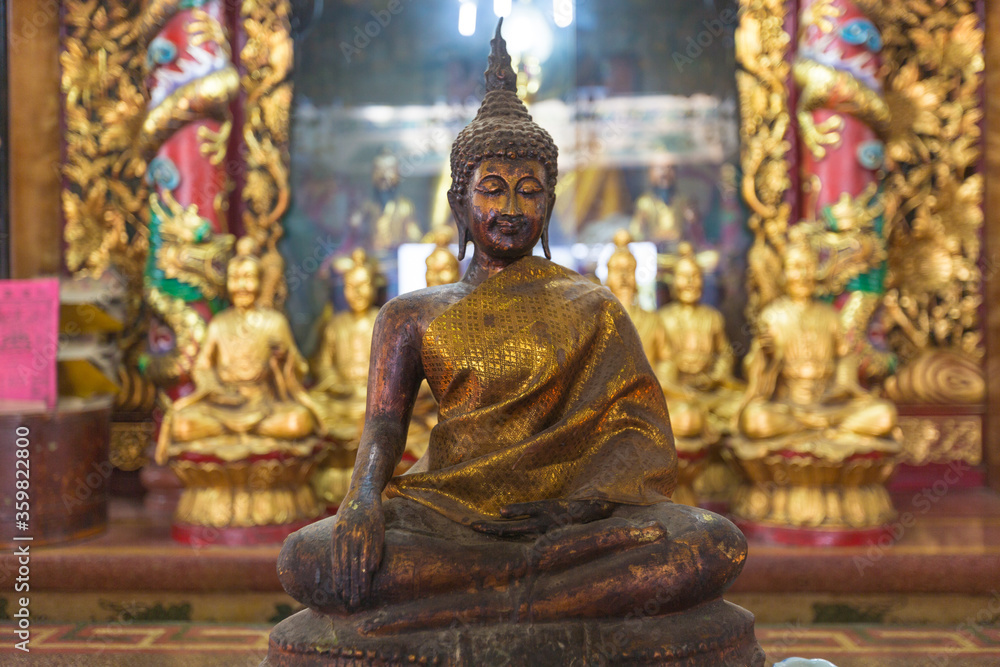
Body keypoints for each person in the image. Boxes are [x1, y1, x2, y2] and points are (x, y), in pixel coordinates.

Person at [276, 21, 749, 641]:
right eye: (492, 189)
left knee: (712, 543)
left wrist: (576, 505)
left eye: (531, 192)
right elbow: (385, 425)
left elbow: (633, 429)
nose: (511, 209)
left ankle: (469, 605)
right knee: (306, 558)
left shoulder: (591, 304)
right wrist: (362, 501)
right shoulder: (411, 313)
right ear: (458, 204)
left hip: (568, 523)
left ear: (550, 205)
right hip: (445, 513)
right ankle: (543, 602)